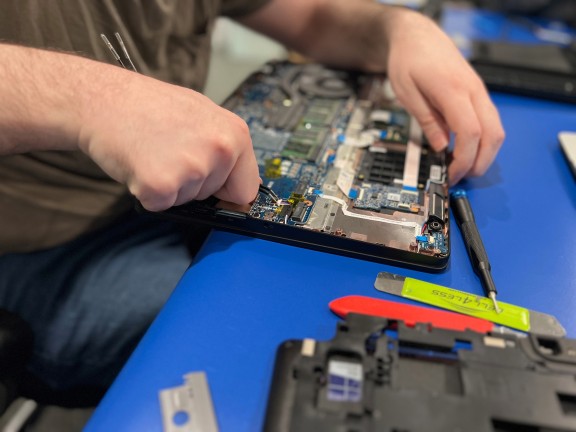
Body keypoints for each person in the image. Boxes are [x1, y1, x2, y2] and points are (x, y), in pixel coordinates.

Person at [0, 0, 505, 393]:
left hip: (183, 196)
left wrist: (399, 29)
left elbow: (310, 17)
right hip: (40, 243)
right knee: (293, 346)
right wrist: (88, 96)